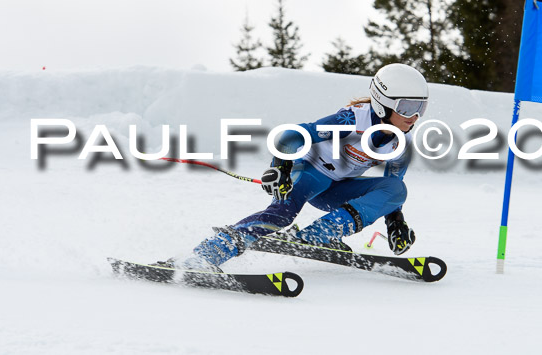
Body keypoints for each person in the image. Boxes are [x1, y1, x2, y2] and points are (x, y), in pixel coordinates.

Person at [183, 63, 429, 270]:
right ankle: (209, 253)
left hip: (336, 190)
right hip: (310, 173)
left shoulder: (402, 143)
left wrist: (395, 221)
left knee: (398, 188)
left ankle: (322, 233)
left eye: (421, 108)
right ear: (382, 103)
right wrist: (281, 166)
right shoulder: (351, 120)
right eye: (407, 107)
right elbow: (293, 136)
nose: (414, 116)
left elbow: (390, 191)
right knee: (281, 215)